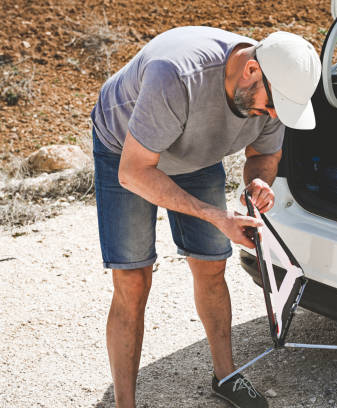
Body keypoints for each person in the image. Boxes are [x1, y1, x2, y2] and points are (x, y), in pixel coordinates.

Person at [90, 26, 321, 408]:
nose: (270, 115)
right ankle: (124, 404)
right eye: (268, 106)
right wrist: (215, 215)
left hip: (195, 153)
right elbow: (135, 172)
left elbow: (263, 155)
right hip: (126, 152)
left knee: (212, 264)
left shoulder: (276, 91)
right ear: (250, 71)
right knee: (133, 279)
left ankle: (226, 375)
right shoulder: (176, 76)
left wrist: (257, 185)